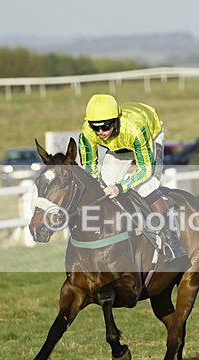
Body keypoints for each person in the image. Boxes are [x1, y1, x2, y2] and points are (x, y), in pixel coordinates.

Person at [78, 93, 187, 263]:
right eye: (95, 127)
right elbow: (89, 166)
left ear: (115, 122)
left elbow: (144, 169)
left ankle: (173, 242)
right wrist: (97, 181)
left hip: (149, 137)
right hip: (118, 148)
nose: (100, 132)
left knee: (145, 185)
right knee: (104, 187)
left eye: (105, 127)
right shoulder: (87, 132)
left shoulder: (135, 128)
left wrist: (121, 187)